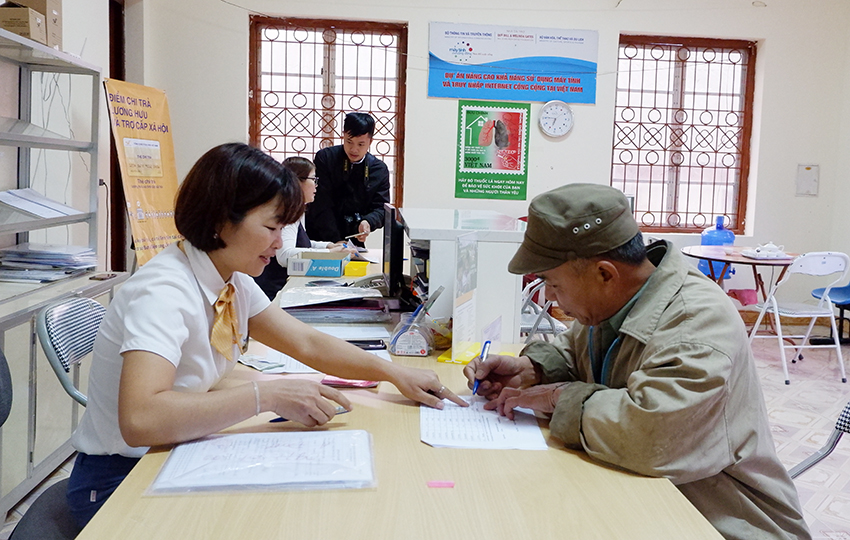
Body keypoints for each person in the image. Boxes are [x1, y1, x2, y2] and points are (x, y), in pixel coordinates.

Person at [67, 143, 465, 529]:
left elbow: (305, 342)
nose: (278, 244)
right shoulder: (163, 291)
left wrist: (394, 373)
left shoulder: (229, 278)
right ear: (222, 221)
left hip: (174, 454)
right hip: (118, 482)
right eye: (272, 227)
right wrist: (267, 395)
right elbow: (141, 419)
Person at [464, 184, 811, 540]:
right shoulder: (617, 301)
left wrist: (559, 397)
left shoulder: (697, 323)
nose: (549, 296)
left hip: (725, 520)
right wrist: (534, 371)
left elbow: (652, 435)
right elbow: (577, 352)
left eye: (553, 283)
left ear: (604, 274)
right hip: (654, 502)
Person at [253, 156, 356, 300]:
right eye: (313, 180)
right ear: (297, 182)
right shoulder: (286, 211)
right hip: (275, 291)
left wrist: (328, 246)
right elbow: (285, 255)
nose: (316, 186)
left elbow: (301, 243)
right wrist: (329, 253)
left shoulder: (297, 209)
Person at [305, 112, 390, 246]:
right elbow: (321, 203)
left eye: (361, 144)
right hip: (320, 238)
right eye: (349, 142)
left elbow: (381, 209)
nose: (354, 149)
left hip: (353, 240)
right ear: (343, 135)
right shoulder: (326, 158)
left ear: (370, 141)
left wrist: (368, 222)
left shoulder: (378, 170)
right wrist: (336, 240)